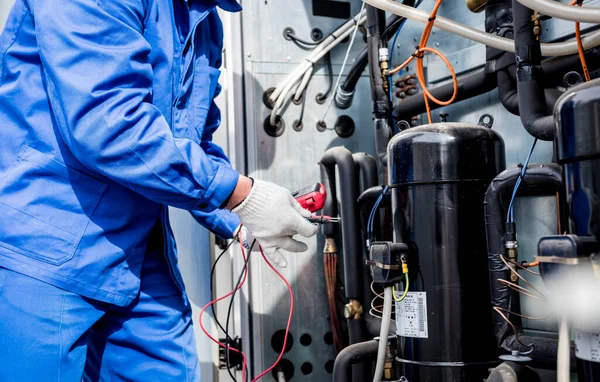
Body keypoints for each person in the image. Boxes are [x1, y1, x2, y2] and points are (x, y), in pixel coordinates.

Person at [0, 0, 317, 380]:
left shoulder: (204, 21)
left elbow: (190, 140)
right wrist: (242, 194)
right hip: (47, 247)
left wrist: (237, 218)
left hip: (139, 251)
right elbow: (109, 125)